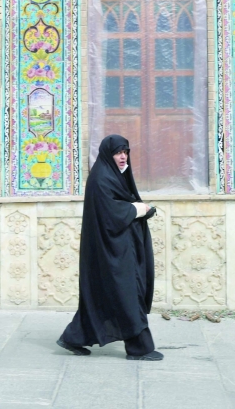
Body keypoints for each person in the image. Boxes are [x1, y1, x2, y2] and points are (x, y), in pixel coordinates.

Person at [56, 134, 163, 361]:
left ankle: (73, 337)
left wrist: (137, 208)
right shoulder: (101, 178)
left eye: (125, 152)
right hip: (111, 251)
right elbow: (111, 214)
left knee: (103, 297)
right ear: (107, 154)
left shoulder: (113, 176)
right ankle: (140, 348)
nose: (123, 156)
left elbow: (119, 204)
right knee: (128, 295)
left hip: (118, 248)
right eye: (118, 152)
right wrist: (140, 210)